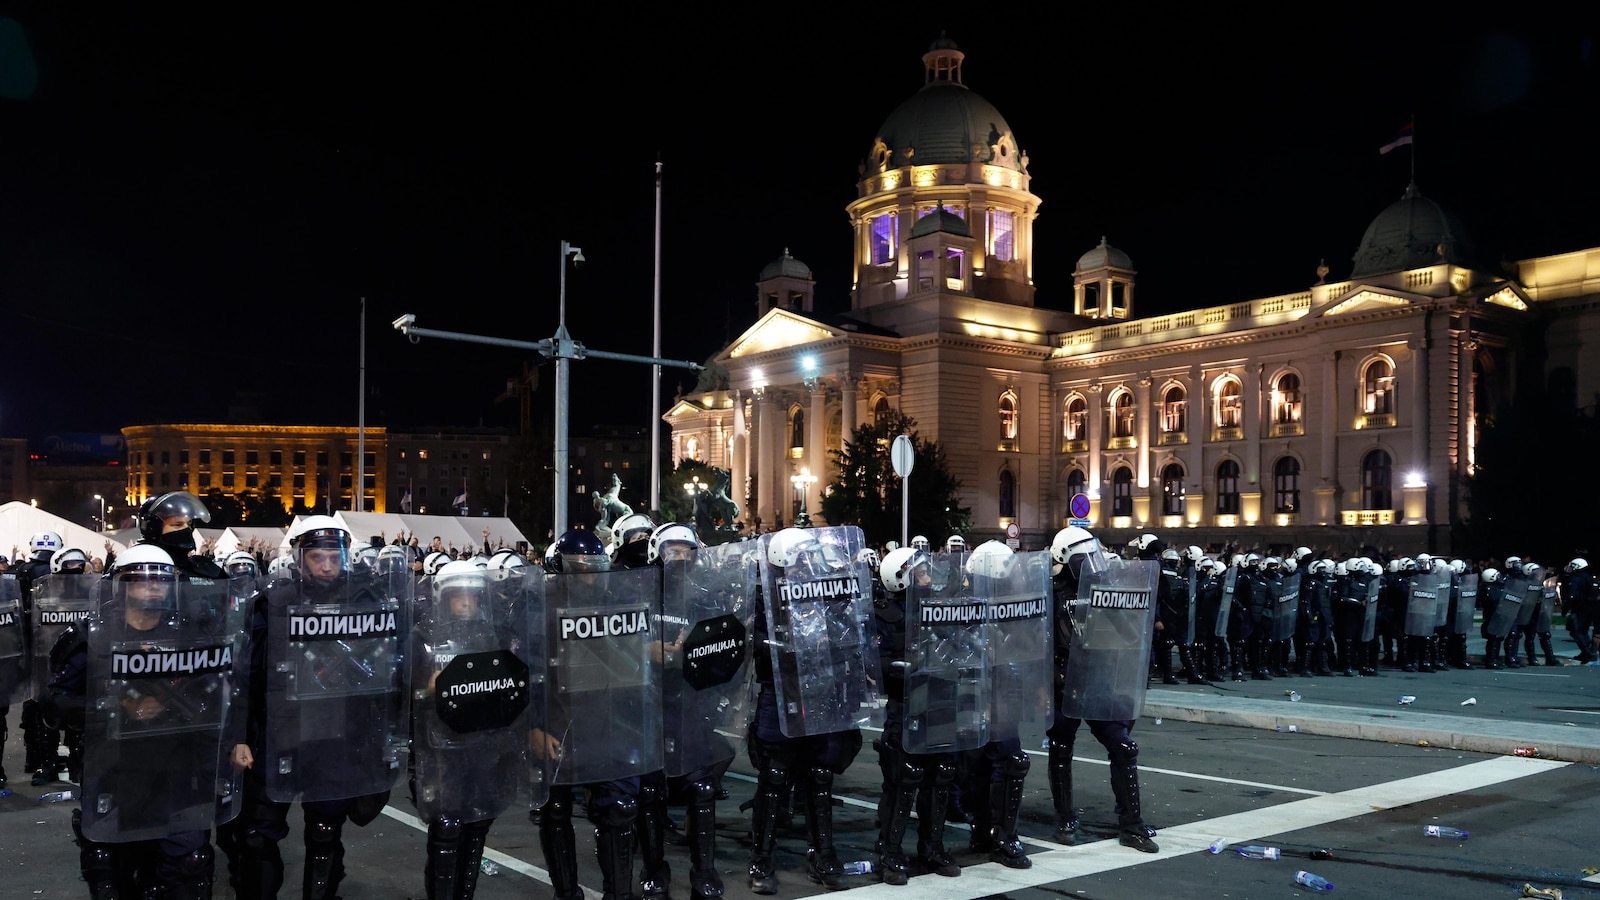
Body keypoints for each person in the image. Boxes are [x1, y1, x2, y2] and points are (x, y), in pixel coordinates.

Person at [44, 544, 244, 900]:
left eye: (161, 581)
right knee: (110, 867)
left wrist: (226, 739)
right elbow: (55, 702)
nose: (153, 588)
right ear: (120, 585)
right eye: (140, 580)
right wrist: (115, 707)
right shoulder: (91, 635)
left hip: (179, 766)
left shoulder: (192, 635)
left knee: (189, 863)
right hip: (115, 767)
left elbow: (218, 693)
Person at [234, 515, 406, 900]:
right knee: (258, 835)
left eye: (335, 555)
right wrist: (241, 736)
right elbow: (247, 675)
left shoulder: (366, 601)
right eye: (317, 556)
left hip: (338, 734)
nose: (327, 565)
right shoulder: (272, 604)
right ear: (299, 556)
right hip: (278, 732)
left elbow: (389, 670)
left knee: (326, 830)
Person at [746, 527, 872, 893]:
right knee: (774, 775)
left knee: (819, 775)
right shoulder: (764, 594)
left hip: (820, 689)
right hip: (781, 689)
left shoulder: (826, 591)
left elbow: (850, 631)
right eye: (802, 557)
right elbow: (753, 638)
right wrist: (784, 644)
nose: (809, 563)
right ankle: (762, 860)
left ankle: (823, 854)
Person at [534, 528, 657, 900]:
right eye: (580, 568)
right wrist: (534, 727)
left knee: (619, 809)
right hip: (561, 720)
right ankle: (566, 893)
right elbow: (529, 673)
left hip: (611, 720)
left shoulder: (620, 602)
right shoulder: (539, 608)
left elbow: (635, 667)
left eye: (595, 567)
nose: (589, 575)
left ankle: (618, 894)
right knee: (554, 810)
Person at [410, 560, 529, 900]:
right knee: (447, 827)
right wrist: (426, 689)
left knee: (478, 823)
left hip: (483, 743)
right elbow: (402, 695)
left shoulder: (494, 636)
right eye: (458, 597)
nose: (466, 604)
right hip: (441, 747)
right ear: (442, 598)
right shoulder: (422, 639)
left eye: (473, 597)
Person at [1045, 526, 1160, 853]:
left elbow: (1129, 634)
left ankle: (1132, 824)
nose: (1091, 565)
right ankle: (1065, 817)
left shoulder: (1105, 590)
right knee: (1060, 748)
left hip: (1096, 681)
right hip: (1064, 682)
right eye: (1084, 559)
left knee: (1124, 747)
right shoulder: (1051, 594)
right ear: (1064, 560)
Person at [871, 545, 962, 884]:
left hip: (940, 700)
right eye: (919, 573)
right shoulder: (885, 615)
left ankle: (932, 846)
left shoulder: (939, 610)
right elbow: (875, 662)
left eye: (927, 571)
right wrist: (902, 668)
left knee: (942, 775)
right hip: (906, 705)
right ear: (901, 580)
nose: (927, 578)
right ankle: (889, 851)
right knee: (902, 779)